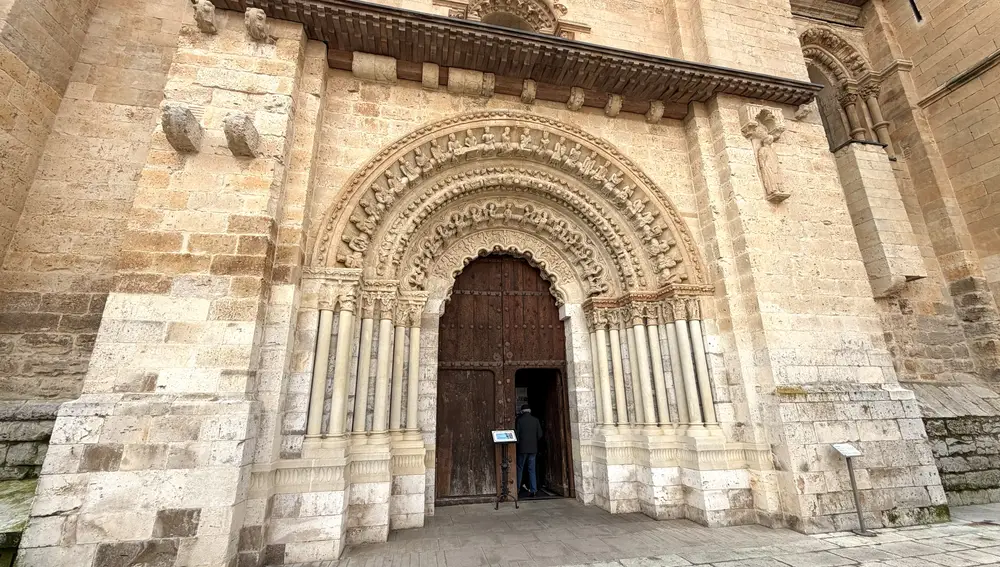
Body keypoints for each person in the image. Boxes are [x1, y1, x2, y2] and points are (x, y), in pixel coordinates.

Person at [514, 404, 542, 497]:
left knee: (520, 468)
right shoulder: (536, 420)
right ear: (530, 411)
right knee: (532, 469)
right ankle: (534, 489)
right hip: (533, 448)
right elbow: (540, 435)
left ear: (522, 411)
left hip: (522, 448)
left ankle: (517, 488)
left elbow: (516, 435)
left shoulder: (519, 421)